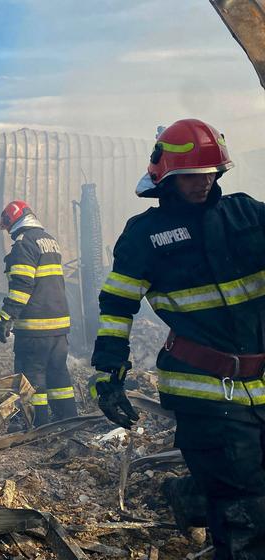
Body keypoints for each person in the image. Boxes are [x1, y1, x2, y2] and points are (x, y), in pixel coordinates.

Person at [91, 118, 265, 559]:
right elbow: (117, 306)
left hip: (260, 383)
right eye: (190, 176)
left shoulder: (247, 214)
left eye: (209, 173)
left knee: (247, 488)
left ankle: (192, 496)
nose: (202, 184)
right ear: (164, 175)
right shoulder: (144, 236)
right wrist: (109, 374)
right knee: (244, 514)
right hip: (202, 390)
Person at [0, 201, 77, 426]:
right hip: (58, 327)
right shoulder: (49, 241)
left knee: (32, 379)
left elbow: (22, 285)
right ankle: (68, 422)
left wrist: (6, 317)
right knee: (59, 375)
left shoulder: (24, 244)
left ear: (13, 221)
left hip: (35, 328)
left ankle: (37, 426)